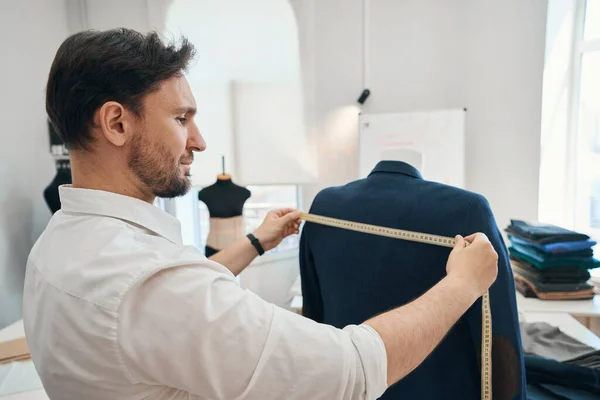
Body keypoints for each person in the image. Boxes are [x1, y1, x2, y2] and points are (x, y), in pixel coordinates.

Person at [23, 28, 499, 400]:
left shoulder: (57, 245)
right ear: (117, 122)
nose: (199, 140)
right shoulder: (148, 281)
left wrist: (257, 242)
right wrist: (462, 285)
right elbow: (351, 372)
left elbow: (162, 312)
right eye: (181, 118)